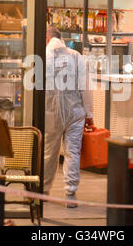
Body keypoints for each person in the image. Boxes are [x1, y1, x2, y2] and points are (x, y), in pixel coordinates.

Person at [44, 25, 94, 208]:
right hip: (75, 112)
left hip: (50, 113)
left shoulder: (42, 57)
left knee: (49, 153)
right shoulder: (76, 56)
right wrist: (89, 113)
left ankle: (43, 192)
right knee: (72, 152)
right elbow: (85, 88)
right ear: (61, 38)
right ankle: (70, 194)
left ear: (47, 39)